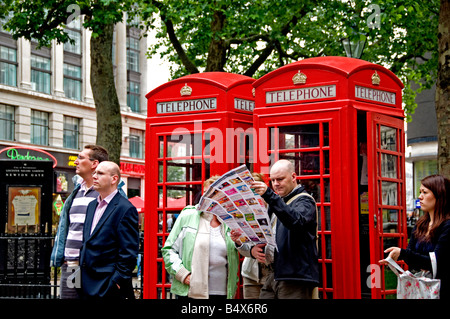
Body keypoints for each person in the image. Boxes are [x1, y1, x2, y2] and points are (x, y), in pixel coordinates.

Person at [161, 176, 240, 299]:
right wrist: (183, 275)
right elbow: (168, 250)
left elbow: (244, 249)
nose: (211, 198)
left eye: (216, 193)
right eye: (207, 193)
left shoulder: (230, 221)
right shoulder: (188, 216)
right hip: (193, 292)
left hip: (224, 292)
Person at [250, 159, 319, 299]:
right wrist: (253, 249)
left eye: (280, 179)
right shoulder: (276, 203)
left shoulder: (305, 201)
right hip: (272, 274)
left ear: (293, 177)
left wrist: (270, 196)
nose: (276, 184)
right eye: (273, 180)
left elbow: (295, 222)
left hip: (295, 277)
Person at [50, 144, 109, 299]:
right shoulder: (77, 192)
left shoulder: (107, 193)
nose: (76, 161)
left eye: (80, 158)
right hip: (72, 267)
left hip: (93, 267)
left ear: (94, 164)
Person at [380, 174, 450, 299]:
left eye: (425, 192)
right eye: (420, 192)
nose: (420, 196)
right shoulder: (421, 225)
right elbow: (411, 258)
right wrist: (396, 257)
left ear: (439, 195)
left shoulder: (447, 226)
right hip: (421, 289)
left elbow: (436, 263)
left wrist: (403, 253)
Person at [80, 161, 139, 299]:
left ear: (114, 179)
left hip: (108, 286)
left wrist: (116, 282)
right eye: (94, 173)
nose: (94, 176)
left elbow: (129, 251)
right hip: (86, 282)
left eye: (100, 173)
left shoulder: (125, 208)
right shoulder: (91, 205)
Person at [231, 172, 270, 299]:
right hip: (251, 273)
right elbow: (244, 247)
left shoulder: (274, 208)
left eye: (255, 191)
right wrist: (239, 242)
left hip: (271, 273)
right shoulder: (241, 213)